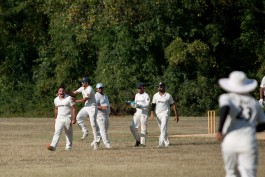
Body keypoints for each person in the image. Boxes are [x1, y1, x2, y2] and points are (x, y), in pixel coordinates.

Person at [216, 71, 265, 177]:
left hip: (229, 141)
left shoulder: (226, 97)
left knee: (231, 173)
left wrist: (219, 130)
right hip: (248, 142)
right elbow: (263, 124)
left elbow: (225, 109)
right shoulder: (254, 103)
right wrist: (252, 128)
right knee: (249, 174)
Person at [68, 77, 100, 150]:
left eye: (83, 82)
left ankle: (96, 142)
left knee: (93, 124)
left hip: (92, 107)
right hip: (86, 107)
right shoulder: (82, 88)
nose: (82, 83)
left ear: (87, 83)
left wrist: (75, 100)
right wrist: (64, 92)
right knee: (78, 117)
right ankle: (85, 131)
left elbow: (84, 100)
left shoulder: (90, 89)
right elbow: (74, 93)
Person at [47, 85, 76, 151]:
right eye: (60, 91)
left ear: (65, 91)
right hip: (59, 118)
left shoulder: (69, 98)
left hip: (67, 117)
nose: (61, 92)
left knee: (68, 133)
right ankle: (53, 146)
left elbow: (73, 108)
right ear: (58, 92)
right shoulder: (56, 100)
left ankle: (68, 147)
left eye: (63, 91)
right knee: (57, 132)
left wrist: (74, 119)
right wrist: (55, 118)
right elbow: (56, 109)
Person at [150, 82, 179, 147]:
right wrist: (152, 113)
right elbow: (153, 105)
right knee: (162, 129)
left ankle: (161, 144)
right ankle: (167, 143)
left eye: (160, 86)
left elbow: (173, 105)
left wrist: (176, 115)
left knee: (163, 128)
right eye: (158, 87)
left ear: (164, 87)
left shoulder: (168, 95)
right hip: (158, 114)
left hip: (165, 113)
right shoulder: (155, 95)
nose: (159, 88)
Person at [130, 83, 150, 147]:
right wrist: (133, 104)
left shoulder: (146, 95)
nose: (138, 90)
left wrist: (140, 106)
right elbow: (135, 103)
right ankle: (138, 140)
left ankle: (143, 143)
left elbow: (147, 105)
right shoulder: (136, 95)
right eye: (138, 88)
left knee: (143, 127)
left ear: (143, 88)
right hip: (137, 113)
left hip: (144, 113)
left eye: (139, 88)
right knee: (132, 127)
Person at [94, 83, 112, 149]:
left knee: (104, 130)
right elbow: (94, 105)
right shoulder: (96, 96)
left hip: (106, 115)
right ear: (96, 89)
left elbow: (107, 105)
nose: (100, 89)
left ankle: (96, 143)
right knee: (103, 130)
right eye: (99, 88)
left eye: (101, 88)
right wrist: (102, 107)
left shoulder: (105, 96)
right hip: (100, 115)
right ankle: (107, 144)